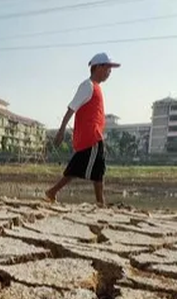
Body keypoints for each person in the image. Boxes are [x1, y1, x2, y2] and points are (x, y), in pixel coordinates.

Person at [45, 52, 120, 207]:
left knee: (79, 167)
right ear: (98, 67)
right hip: (91, 136)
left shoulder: (95, 87)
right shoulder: (88, 86)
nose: (109, 72)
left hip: (92, 135)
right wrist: (61, 130)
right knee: (97, 168)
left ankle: (52, 191)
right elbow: (71, 108)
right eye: (108, 68)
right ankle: (100, 202)